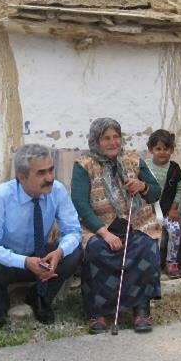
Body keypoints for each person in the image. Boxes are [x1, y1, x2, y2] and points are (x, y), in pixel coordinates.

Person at [0, 144, 82, 329]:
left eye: (51, 170)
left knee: (74, 253)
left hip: (40, 257)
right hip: (9, 261)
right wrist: (24, 261)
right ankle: (1, 299)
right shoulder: (2, 196)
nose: (49, 178)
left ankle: (40, 296)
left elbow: (73, 230)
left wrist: (59, 253)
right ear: (22, 177)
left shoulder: (57, 190)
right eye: (41, 173)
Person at [71, 118, 162, 334]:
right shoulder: (84, 165)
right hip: (99, 227)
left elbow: (156, 192)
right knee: (97, 250)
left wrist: (142, 186)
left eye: (116, 137)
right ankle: (99, 312)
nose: (113, 142)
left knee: (145, 247)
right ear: (96, 140)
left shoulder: (132, 160)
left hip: (135, 223)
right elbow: (81, 206)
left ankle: (141, 309)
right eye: (106, 138)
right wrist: (104, 233)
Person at [143, 129, 181, 279]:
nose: (162, 152)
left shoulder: (174, 170)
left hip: (167, 210)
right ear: (151, 150)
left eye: (166, 149)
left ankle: (171, 262)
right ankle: (149, 263)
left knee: (175, 229)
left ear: (171, 149)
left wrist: (174, 209)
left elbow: (179, 190)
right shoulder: (144, 167)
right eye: (158, 149)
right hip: (147, 211)